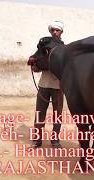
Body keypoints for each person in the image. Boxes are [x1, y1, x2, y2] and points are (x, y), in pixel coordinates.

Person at [32, 20, 65, 148]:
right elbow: (36, 67)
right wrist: (35, 66)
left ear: (61, 32)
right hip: (43, 86)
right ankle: (37, 140)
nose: (54, 32)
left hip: (58, 87)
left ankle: (55, 140)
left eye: (57, 30)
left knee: (57, 114)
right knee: (40, 113)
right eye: (52, 30)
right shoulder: (43, 47)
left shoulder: (64, 48)